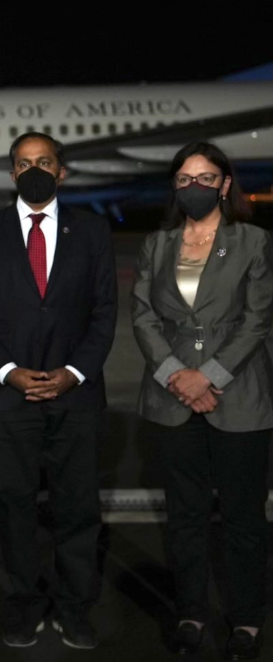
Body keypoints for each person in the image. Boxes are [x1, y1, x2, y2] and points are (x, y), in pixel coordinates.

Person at [0, 132, 117, 650]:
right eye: (24, 163)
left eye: (44, 162)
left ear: (62, 171)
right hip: (8, 397)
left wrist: (75, 372)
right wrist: (7, 371)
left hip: (75, 396)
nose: (34, 170)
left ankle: (75, 608)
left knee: (78, 508)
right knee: (16, 507)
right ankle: (24, 605)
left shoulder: (92, 231)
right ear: (11, 174)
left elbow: (104, 313)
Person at [131, 142, 272, 660]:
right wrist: (176, 376)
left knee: (243, 518)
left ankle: (247, 618)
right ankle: (191, 611)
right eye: (186, 178)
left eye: (207, 178)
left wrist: (207, 377)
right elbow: (144, 317)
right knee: (185, 516)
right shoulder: (157, 244)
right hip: (172, 400)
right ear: (174, 185)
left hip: (238, 397)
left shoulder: (254, 242)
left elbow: (258, 319)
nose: (195, 186)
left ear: (226, 185)